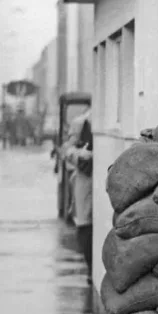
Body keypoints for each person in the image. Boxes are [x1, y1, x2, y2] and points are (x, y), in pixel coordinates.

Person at [62, 105, 93, 285]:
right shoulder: (80, 123)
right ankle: (90, 268)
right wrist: (80, 155)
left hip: (106, 181)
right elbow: (66, 149)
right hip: (85, 181)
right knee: (84, 226)